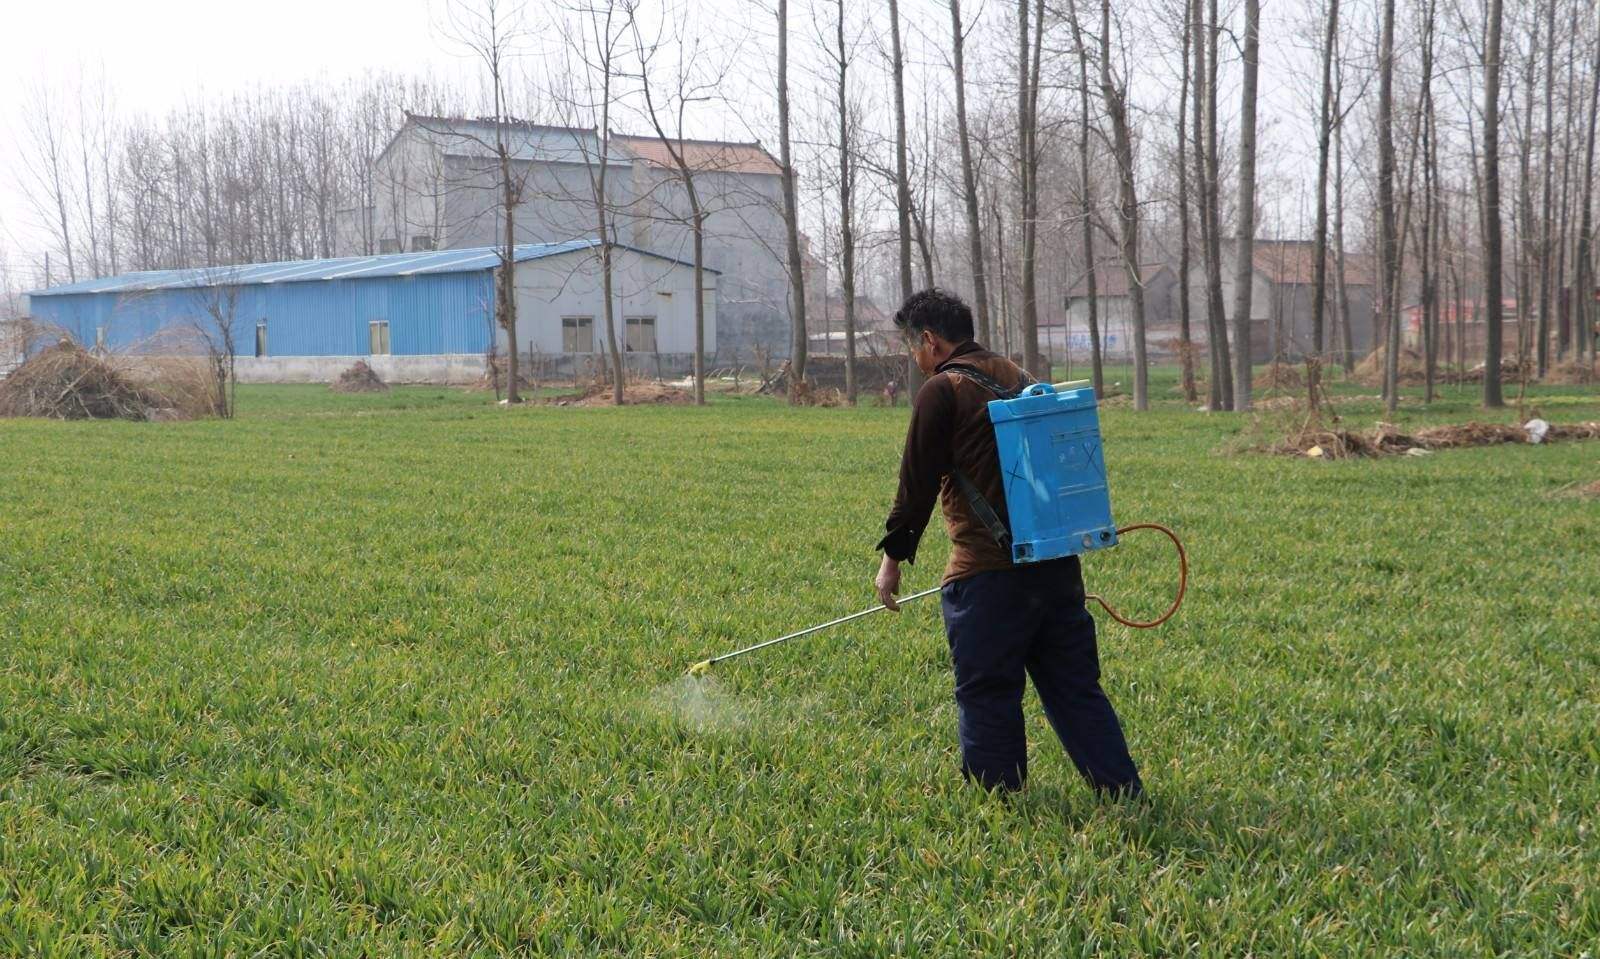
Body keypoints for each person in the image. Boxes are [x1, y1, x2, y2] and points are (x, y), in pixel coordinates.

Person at [874, 288, 1142, 797]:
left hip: (986, 577)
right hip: (1056, 567)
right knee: (1076, 689)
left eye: (913, 345)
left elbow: (916, 487)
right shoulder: (1020, 377)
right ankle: (1122, 791)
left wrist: (892, 561)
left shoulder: (943, 388)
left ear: (929, 340)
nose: (915, 357)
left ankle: (999, 802)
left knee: (988, 693)